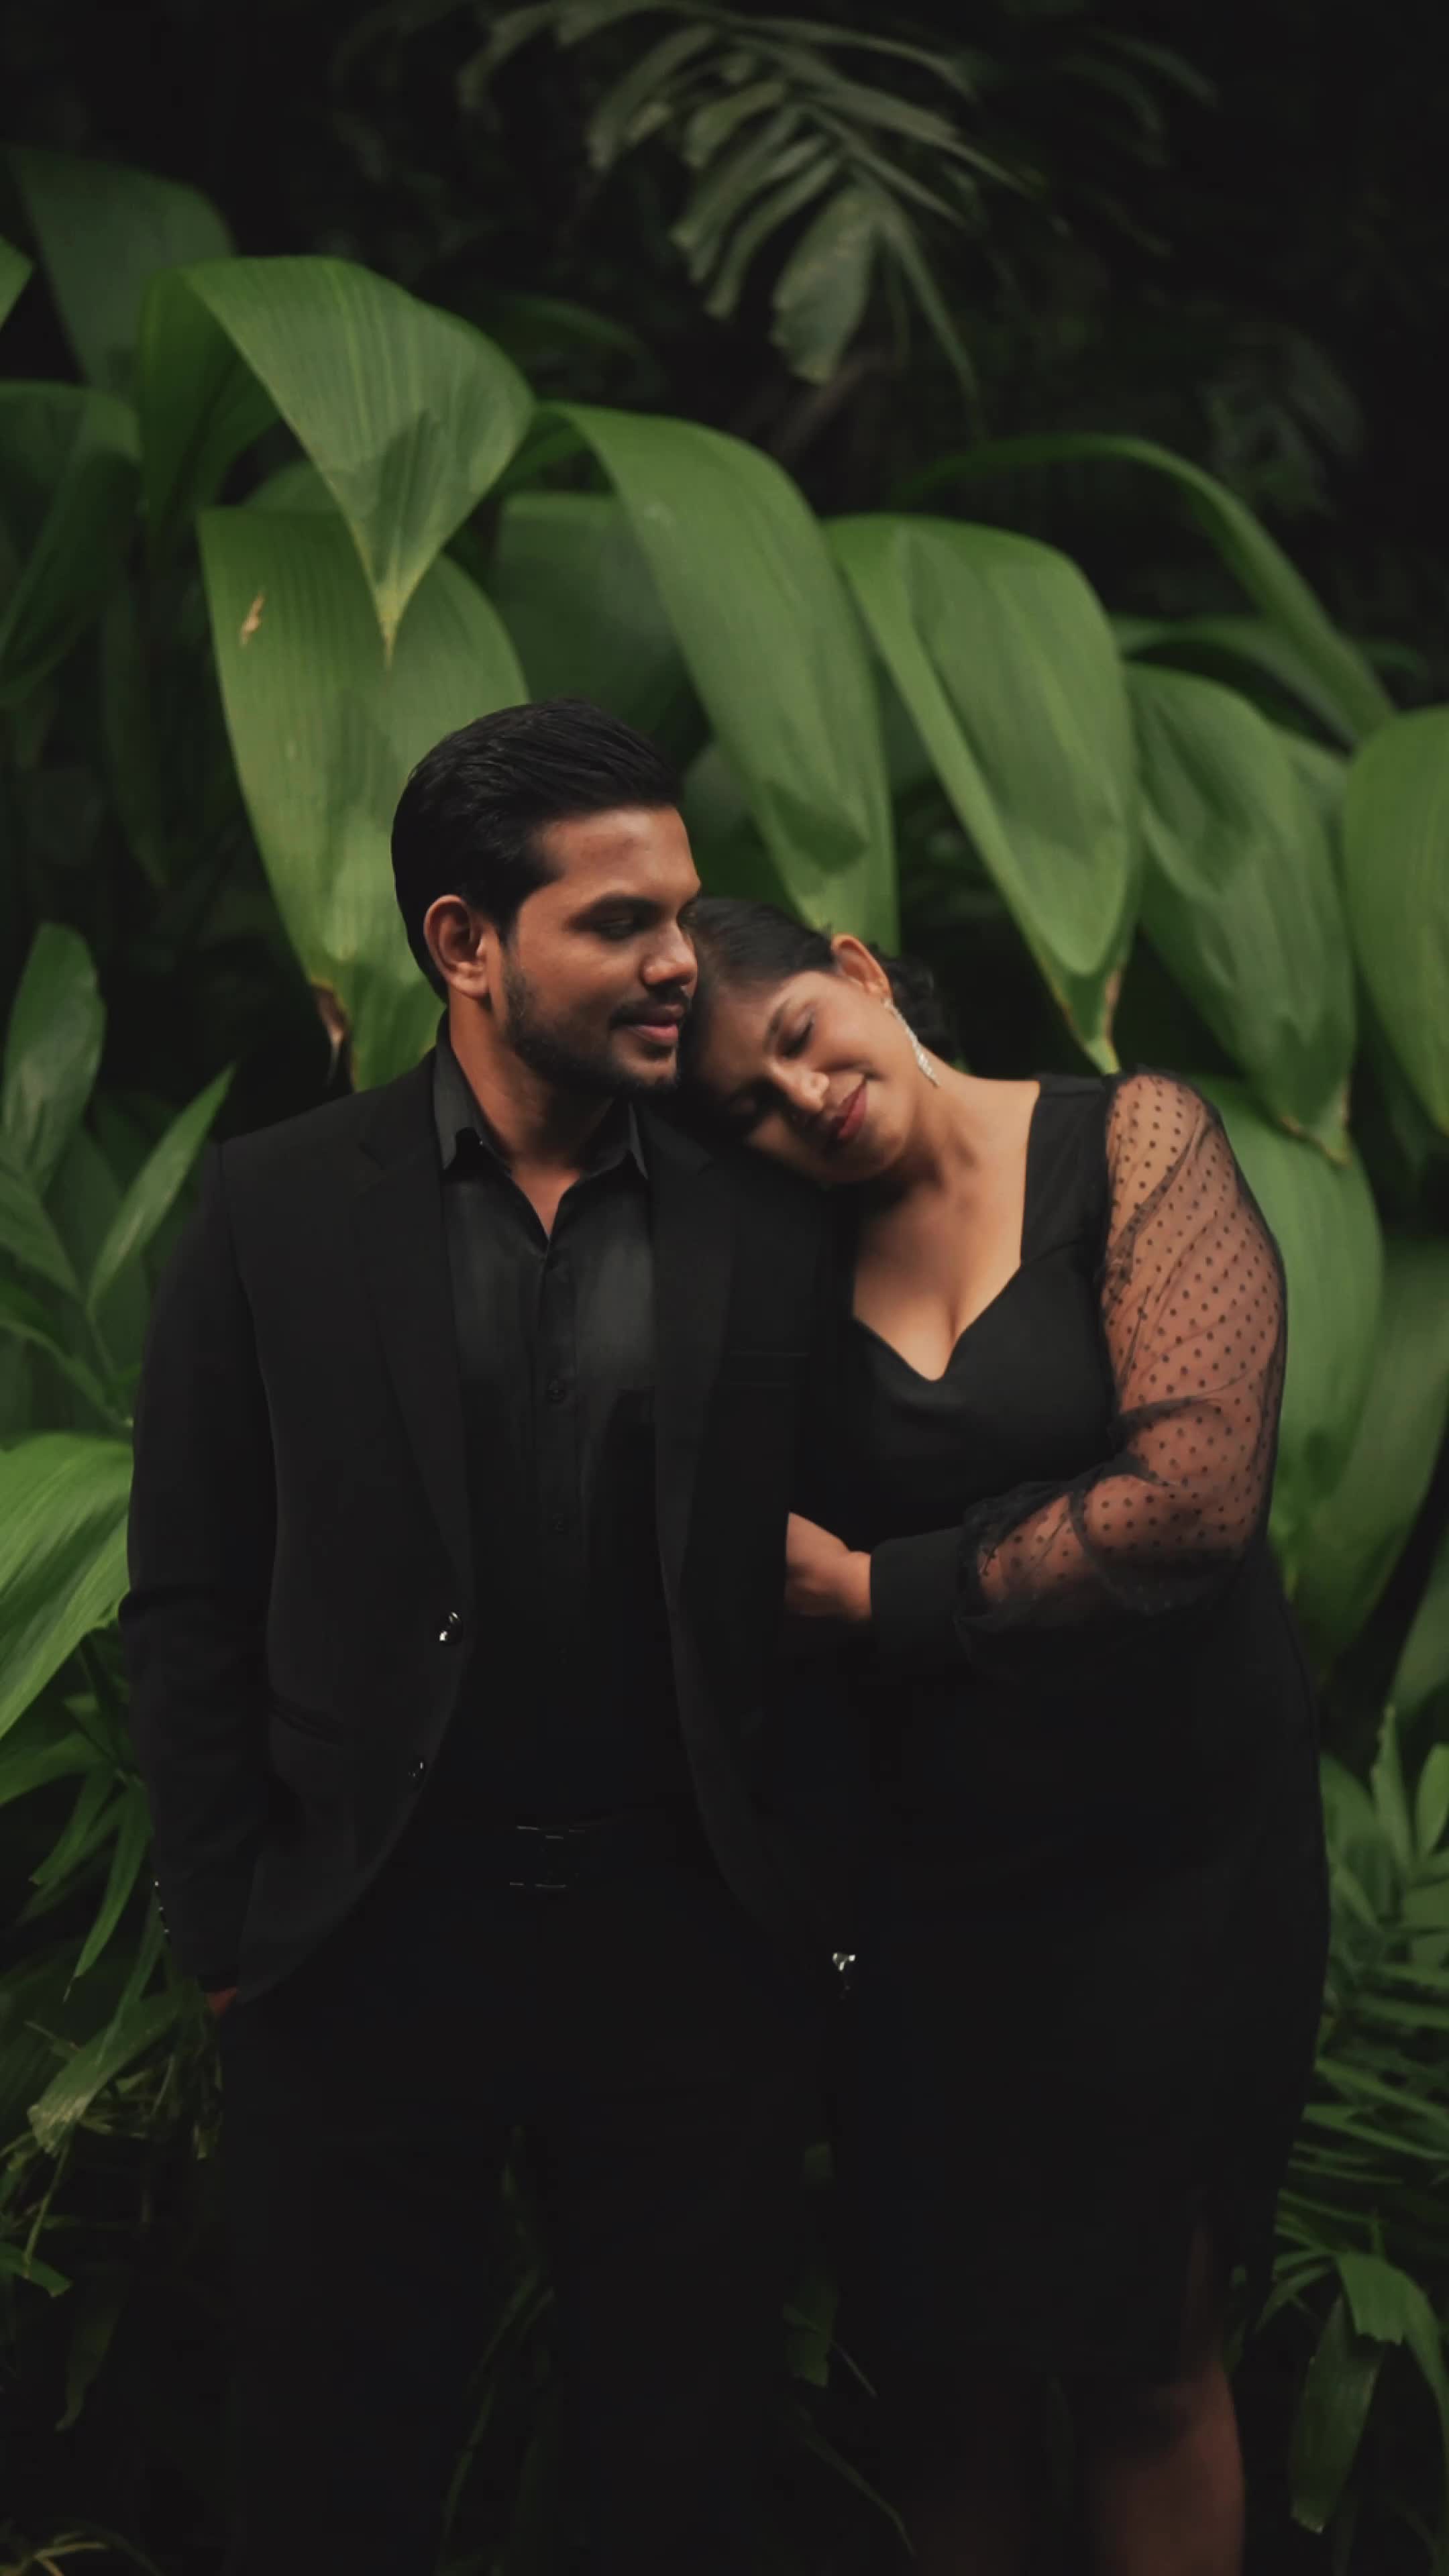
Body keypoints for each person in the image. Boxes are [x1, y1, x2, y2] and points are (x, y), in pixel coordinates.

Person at [120, 703, 845, 2576]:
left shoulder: (767, 1218)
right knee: (332, 2488)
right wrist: (234, 1937)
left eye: (683, 913)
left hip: (683, 1948)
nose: (680, 960)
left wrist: (802, 1912)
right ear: (465, 944)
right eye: (619, 922)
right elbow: (191, 1591)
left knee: (675, 2491)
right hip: (368, 1942)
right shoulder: (277, 1209)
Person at [680, 899, 1330, 2576]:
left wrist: (879, 1593)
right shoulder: (784, 1265)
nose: (803, 1098)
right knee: (944, 2383)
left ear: (857, 970)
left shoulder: (1132, 1145)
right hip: (928, 1901)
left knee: (1147, 2369)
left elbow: (1194, 1498)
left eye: (799, 1038)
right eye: (752, 1107)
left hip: (1173, 1875)